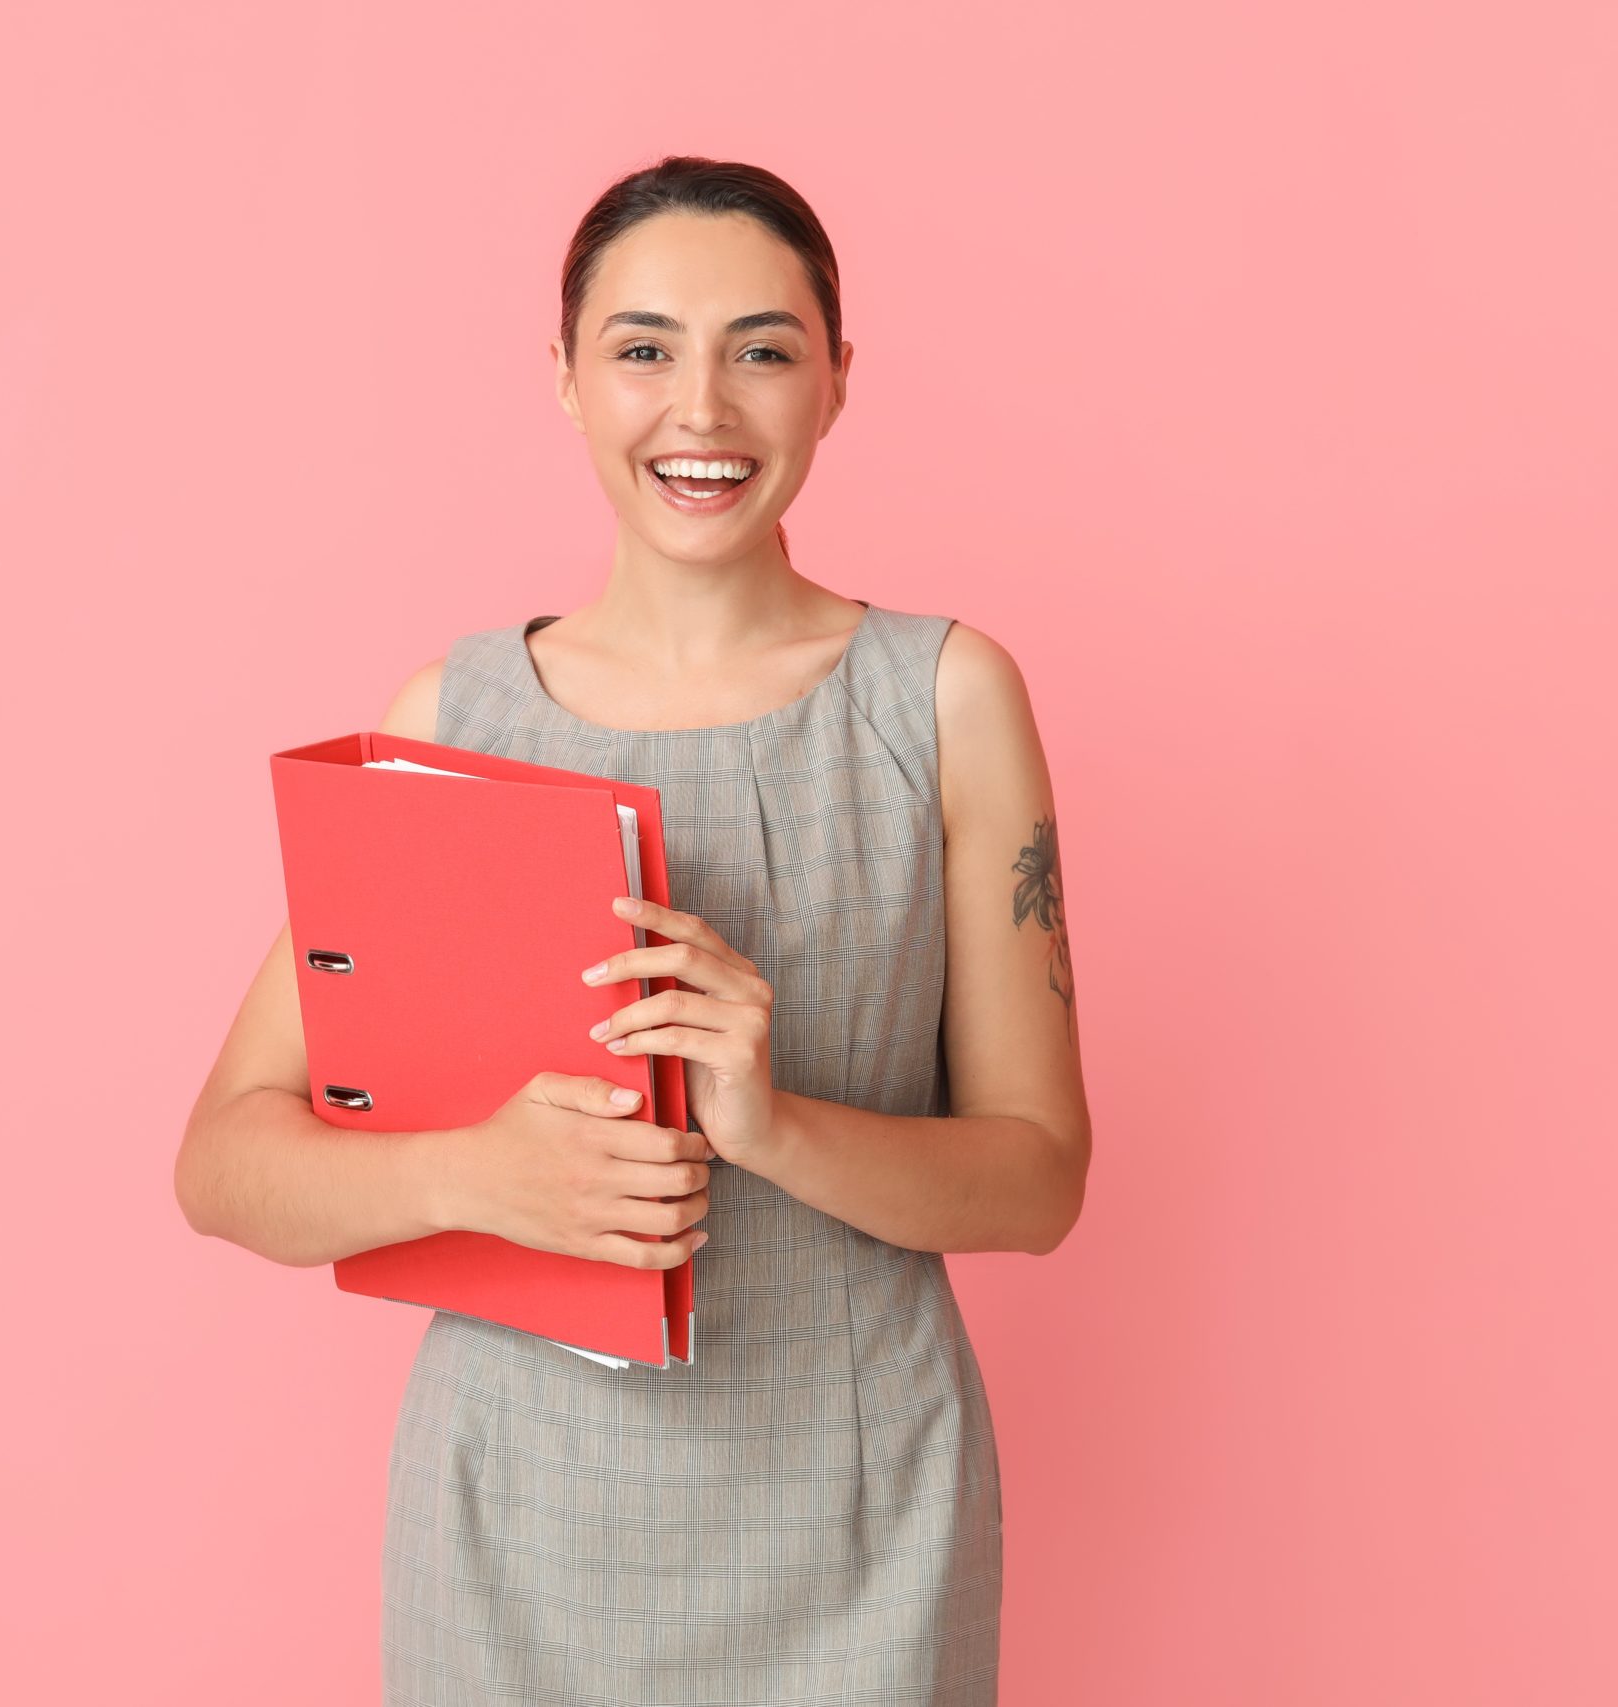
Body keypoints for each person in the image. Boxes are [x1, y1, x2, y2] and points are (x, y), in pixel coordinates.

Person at [175, 154, 1091, 1706]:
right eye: (645, 348)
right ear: (567, 377)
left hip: (861, 1517)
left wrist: (773, 1121)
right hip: (512, 1532)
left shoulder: (943, 702)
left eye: (764, 348)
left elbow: (1040, 1178)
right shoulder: (453, 721)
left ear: (838, 380)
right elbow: (224, 1164)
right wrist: (477, 1175)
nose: (703, 411)